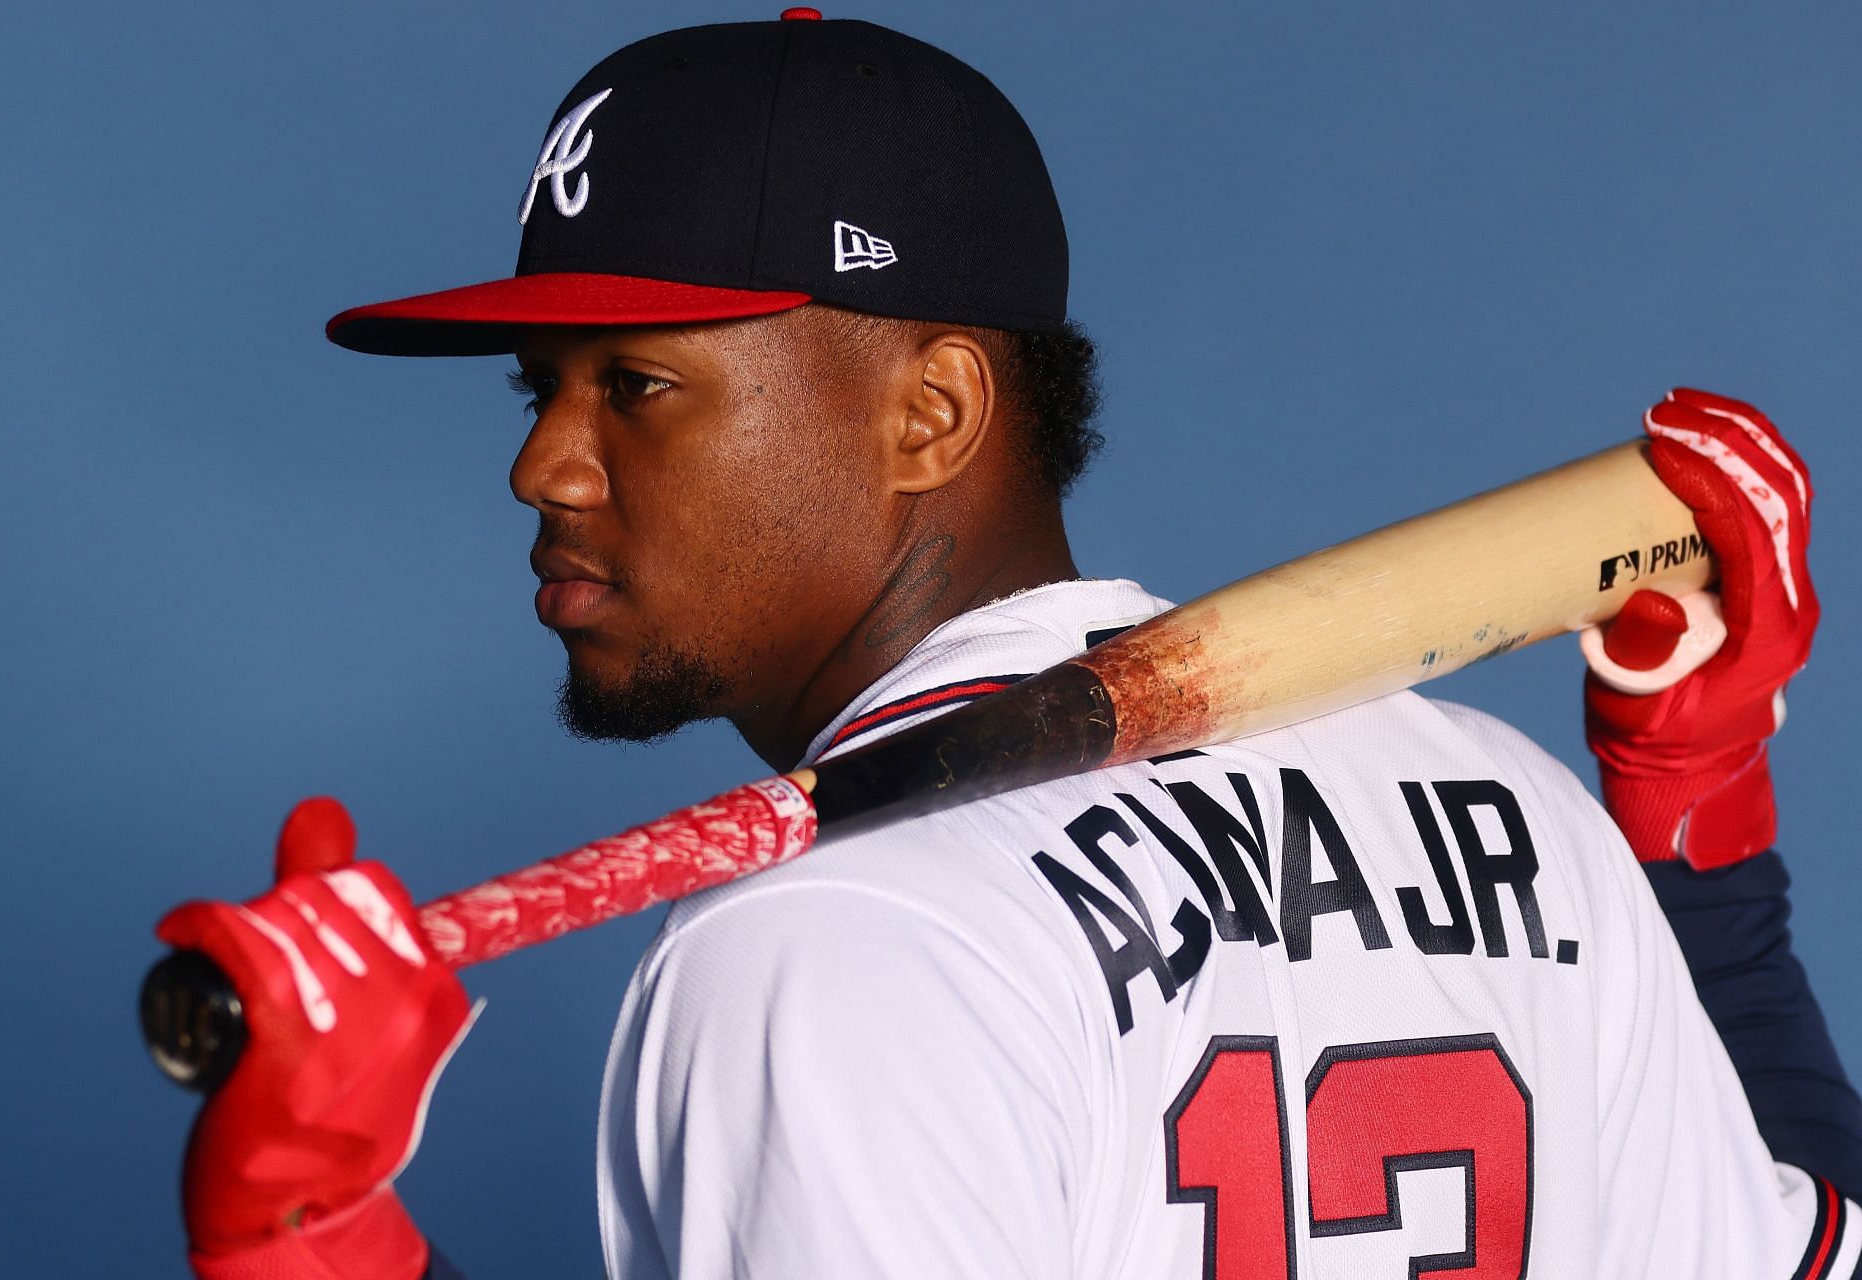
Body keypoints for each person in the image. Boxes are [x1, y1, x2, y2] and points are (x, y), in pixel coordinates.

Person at [153, 11, 1862, 1279]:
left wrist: (325, 1256)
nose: (543, 462)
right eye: (546, 391)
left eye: (639, 385)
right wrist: (1696, 827)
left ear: (935, 409)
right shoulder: (1518, 819)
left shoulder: (818, 953)